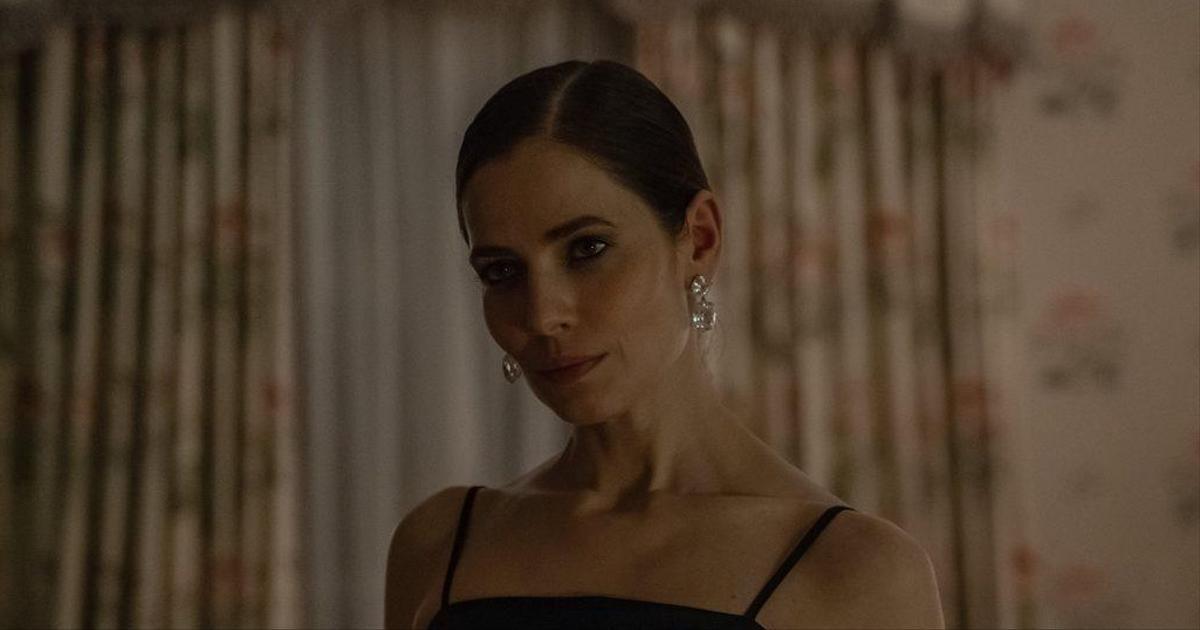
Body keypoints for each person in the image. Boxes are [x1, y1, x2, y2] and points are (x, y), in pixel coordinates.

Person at [384, 59, 944, 630]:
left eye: (586, 249)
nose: (543, 316)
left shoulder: (855, 571)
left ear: (699, 240)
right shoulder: (438, 544)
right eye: (503, 272)